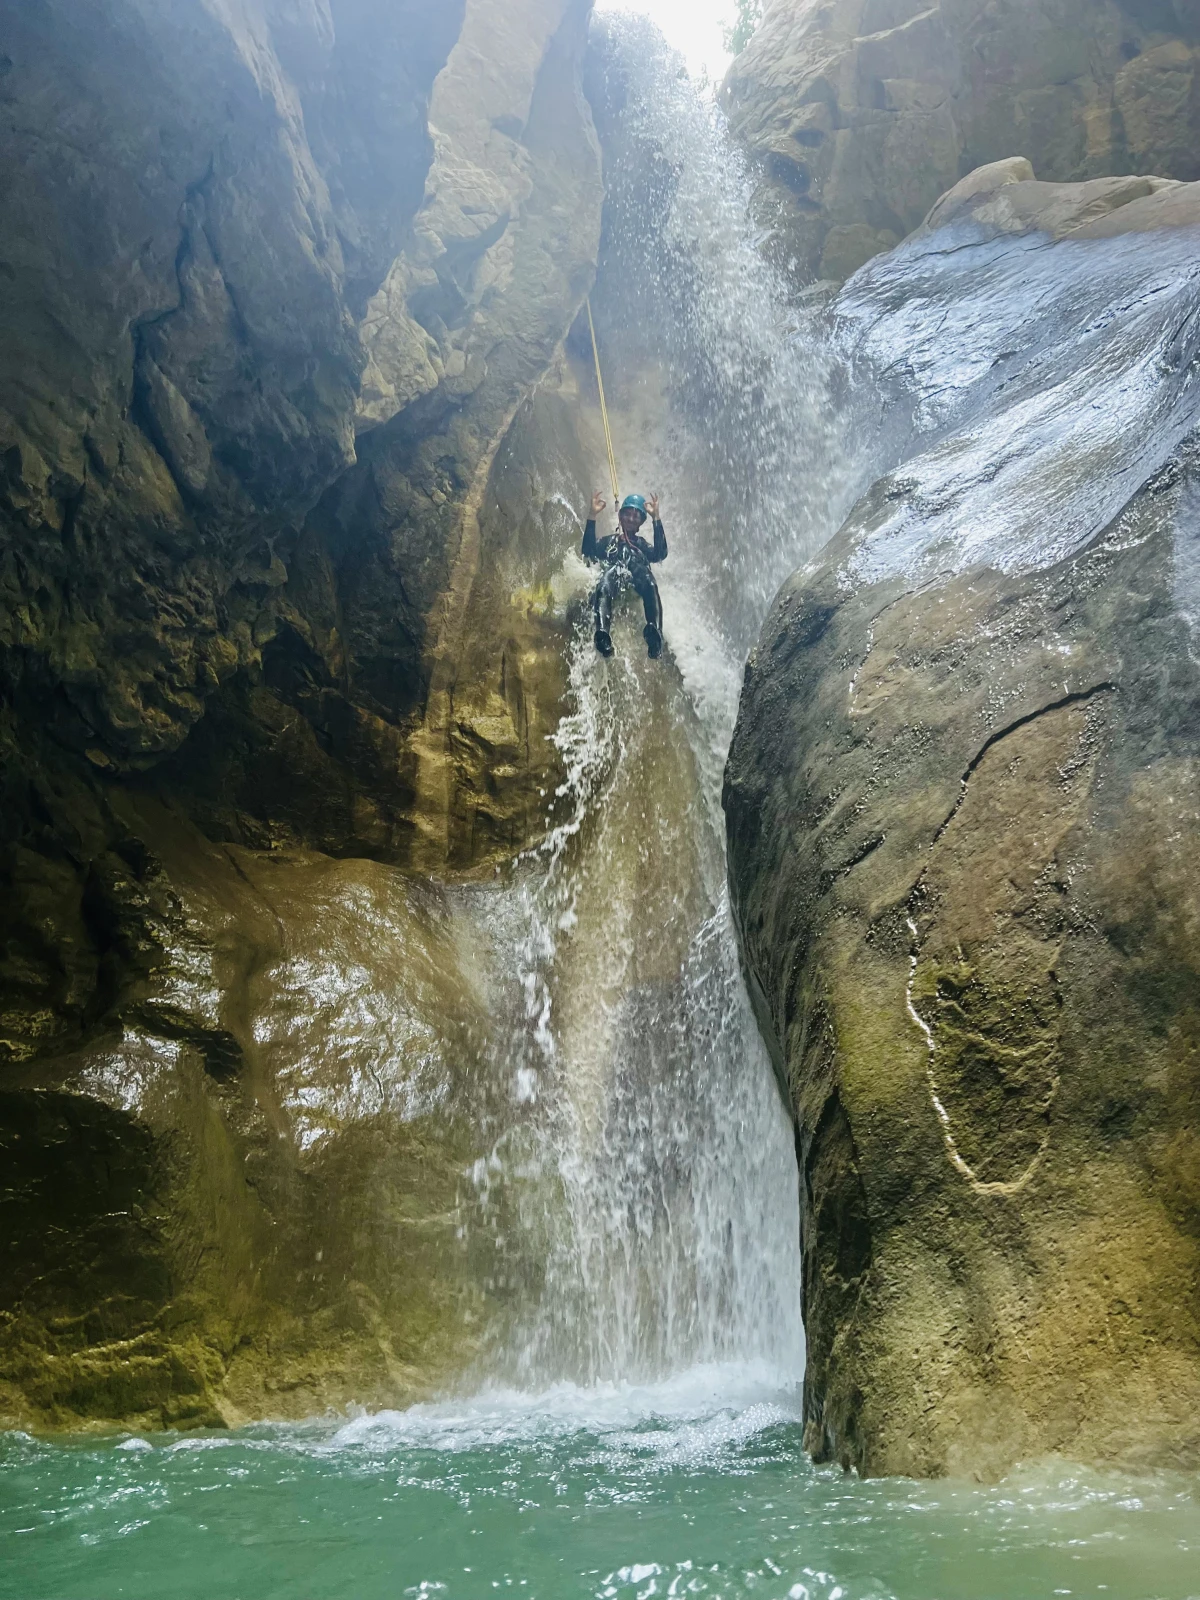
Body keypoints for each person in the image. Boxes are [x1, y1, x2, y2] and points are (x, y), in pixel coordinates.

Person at [582, 490, 667, 659]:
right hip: (615, 573)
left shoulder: (641, 544)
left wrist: (656, 517)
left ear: (640, 523)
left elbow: (660, 554)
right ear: (620, 516)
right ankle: (602, 634)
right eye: (627, 514)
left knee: (650, 583)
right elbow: (588, 550)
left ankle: (655, 635)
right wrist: (592, 515)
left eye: (635, 517)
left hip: (638, 576)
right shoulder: (609, 542)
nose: (630, 519)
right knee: (604, 582)